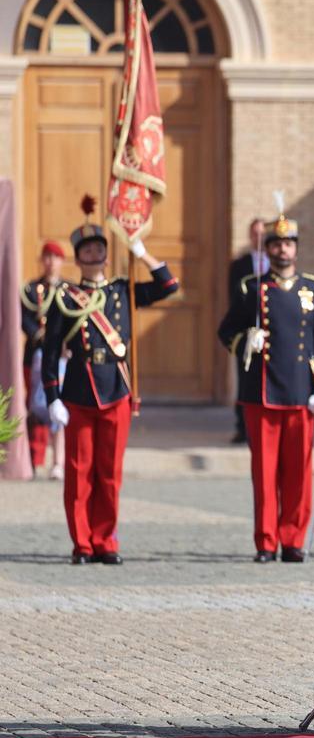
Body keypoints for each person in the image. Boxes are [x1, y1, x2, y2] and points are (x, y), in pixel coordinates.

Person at [41, 195, 180, 564]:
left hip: (116, 389)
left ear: (105, 253)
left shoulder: (123, 289)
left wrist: (142, 250)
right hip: (79, 391)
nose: (93, 254)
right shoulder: (64, 298)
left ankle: (106, 541)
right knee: (78, 472)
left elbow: (169, 286)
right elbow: (52, 351)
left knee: (109, 473)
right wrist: (52, 396)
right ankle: (82, 543)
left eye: (98, 248)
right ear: (78, 257)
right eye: (86, 250)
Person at [217, 209, 314, 563]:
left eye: (288, 244)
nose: (283, 250)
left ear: (296, 249)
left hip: (301, 392)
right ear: (266, 249)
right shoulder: (250, 288)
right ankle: (266, 542)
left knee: (298, 474)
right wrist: (245, 341)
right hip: (262, 393)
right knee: (264, 474)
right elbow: (226, 331)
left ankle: (293, 539)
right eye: (276, 244)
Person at [20, 241, 65, 478]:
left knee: (60, 408)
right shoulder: (31, 290)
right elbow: (24, 318)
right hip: (36, 355)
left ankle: (58, 461)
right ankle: (35, 460)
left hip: (61, 358)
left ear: (61, 261)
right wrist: (40, 336)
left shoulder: (68, 290)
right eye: (46, 257)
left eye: (54, 257)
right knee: (36, 407)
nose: (50, 262)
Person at [226, 218, 267, 444]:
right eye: (255, 234)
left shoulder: (275, 261)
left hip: (271, 331)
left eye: (262, 234)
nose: (258, 238)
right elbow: (234, 298)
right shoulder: (240, 264)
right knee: (245, 377)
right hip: (248, 330)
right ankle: (242, 427)